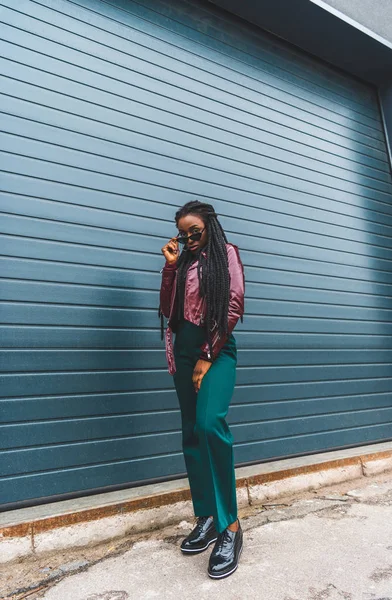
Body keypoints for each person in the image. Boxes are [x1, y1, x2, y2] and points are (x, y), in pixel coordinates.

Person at [158, 200, 245, 579]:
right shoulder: (183, 262)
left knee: (211, 426)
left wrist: (209, 353)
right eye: (184, 233)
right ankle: (206, 517)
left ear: (209, 225)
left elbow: (233, 304)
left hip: (216, 347)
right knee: (192, 433)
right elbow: (168, 309)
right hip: (183, 348)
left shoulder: (225, 254)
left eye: (196, 231)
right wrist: (170, 267)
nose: (191, 238)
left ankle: (231, 527)